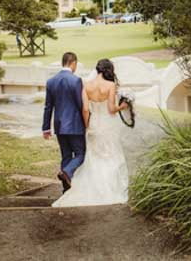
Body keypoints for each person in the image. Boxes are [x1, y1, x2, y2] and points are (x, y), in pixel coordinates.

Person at [52, 58, 130, 207]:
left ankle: (91, 187)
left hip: (94, 126)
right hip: (107, 126)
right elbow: (111, 109)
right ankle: (109, 189)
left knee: (94, 158)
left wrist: (87, 126)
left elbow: (85, 109)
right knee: (111, 156)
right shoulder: (111, 85)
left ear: (97, 69)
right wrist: (123, 106)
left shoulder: (86, 85)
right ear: (108, 70)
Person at [42, 52, 86, 193]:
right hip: (75, 126)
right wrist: (87, 122)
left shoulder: (51, 81)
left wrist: (46, 128)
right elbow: (81, 105)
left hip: (59, 126)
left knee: (66, 155)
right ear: (73, 63)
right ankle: (66, 172)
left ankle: (66, 189)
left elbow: (48, 106)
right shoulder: (76, 81)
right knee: (81, 154)